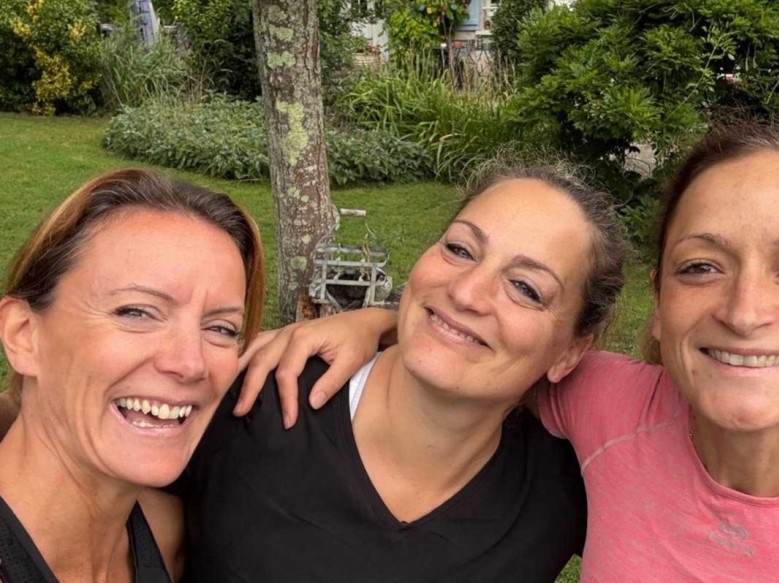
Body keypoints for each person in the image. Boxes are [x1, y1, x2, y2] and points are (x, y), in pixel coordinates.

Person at [240, 123, 779, 580]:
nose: (744, 311)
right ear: (660, 303)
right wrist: (380, 323)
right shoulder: (609, 407)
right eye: (701, 266)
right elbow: (489, 348)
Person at [173, 165, 629, 582]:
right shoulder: (258, 393)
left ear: (569, 353)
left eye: (526, 288)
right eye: (459, 249)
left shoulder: (564, 488)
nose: (466, 292)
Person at [0, 168, 265, 583]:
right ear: (23, 335)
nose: (190, 363)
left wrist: (372, 327)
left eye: (221, 328)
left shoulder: (165, 536)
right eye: (136, 312)